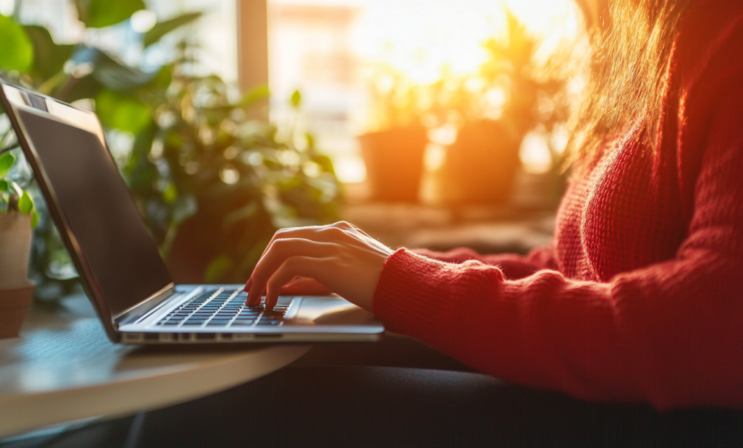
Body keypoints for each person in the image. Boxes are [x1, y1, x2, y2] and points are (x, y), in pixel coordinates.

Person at [244, 0, 743, 410]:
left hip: (646, 421)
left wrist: (396, 281)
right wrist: (387, 272)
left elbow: (710, 326)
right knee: (304, 362)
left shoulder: (725, 32)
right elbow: (573, 269)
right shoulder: (634, 39)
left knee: (268, 401)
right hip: (598, 401)